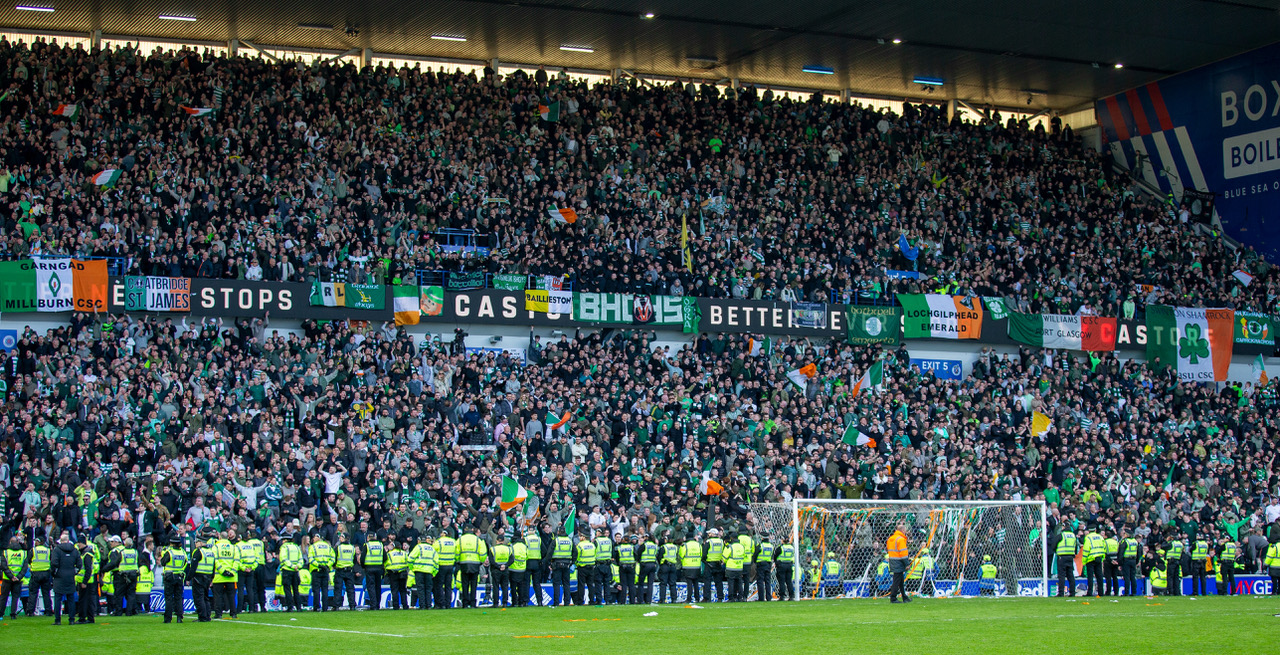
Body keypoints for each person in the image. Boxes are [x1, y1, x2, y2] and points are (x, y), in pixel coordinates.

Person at [49, 531, 80, 625]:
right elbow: (79, 564)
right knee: (71, 599)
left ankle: (57, 620)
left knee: (58, 599)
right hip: (70, 576)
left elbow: (54, 563)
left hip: (59, 576)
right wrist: (74, 572)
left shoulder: (57, 550)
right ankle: (71, 619)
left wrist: (54, 573)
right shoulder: (75, 550)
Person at [457, 526, 487, 608]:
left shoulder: (460, 539)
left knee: (465, 584)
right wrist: (481, 561)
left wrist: (458, 560)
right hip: (475, 563)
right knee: (474, 584)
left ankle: (465, 603)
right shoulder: (478, 540)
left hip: (464, 563)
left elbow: (456, 552)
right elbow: (483, 553)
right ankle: (473, 602)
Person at [159, 535, 187, 623]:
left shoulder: (169, 552)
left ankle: (168, 618)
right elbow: (185, 562)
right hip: (179, 576)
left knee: (169, 598)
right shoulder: (183, 552)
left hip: (170, 576)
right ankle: (179, 617)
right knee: (178, 597)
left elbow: (163, 562)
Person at [212, 531, 240, 618]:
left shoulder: (215, 547)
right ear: (228, 537)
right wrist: (232, 571)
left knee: (218, 596)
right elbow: (237, 561)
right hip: (232, 577)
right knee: (232, 596)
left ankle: (218, 614)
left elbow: (215, 560)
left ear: (219, 537)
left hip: (219, 576)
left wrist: (222, 571)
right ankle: (233, 613)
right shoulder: (234, 547)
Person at [188, 534, 215, 622]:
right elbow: (213, 567)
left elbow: (193, 567)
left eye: (196, 542)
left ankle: (202, 617)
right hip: (208, 577)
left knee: (199, 598)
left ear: (200, 542)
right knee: (206, 597)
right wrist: (212, 578)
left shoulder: (198, 552)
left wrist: (188, 578)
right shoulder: (211, 552)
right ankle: (207, 616)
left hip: (198, 577)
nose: (195, 544)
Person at [74, 535, 99, 624]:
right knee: (88, 600)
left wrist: (84, 581)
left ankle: (83, 618)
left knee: (84, 601)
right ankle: (89, 618)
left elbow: (88, 569)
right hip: (88, 581)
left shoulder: (86, 554)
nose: (78, 545)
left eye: (79, 543)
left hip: (86, 582)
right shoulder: (87, 552)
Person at [408, 535, 438, 609]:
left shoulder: (418, 547)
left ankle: (422, 605)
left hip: (419, 571)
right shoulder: (432, 549)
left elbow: (410, 559)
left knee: (420, 589)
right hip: (429, 572)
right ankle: (429, 605)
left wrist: (412, 568)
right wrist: (434, 573)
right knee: (428, 589)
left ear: (419, 541)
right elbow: (436, 562)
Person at [27, 537, 53, 617]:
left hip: (36, 573)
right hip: (46, 573)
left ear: (39, 542)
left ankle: (31, 612)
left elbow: (28, 560)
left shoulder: (33, 550)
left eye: (36, 541)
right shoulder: (48, 550)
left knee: (33, 593)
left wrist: (31, 568)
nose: (35, 542)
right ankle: (48, 611)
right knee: (46, 593)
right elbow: (51, 560)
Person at [278, 534, 304, 612]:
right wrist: (297, 566)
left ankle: (290, 607)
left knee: (287, 589)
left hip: (287, 570)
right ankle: (298, 607)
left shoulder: (284, 547)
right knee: (296, 589)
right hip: (295, 571)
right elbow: (301, 559)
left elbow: (283, 559)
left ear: (285, 540)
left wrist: (291, 566)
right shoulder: (296, 547)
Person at [2, 537, 27, 619]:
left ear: (10, 542)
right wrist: (18, 577)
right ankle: (13, 615)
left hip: (7, 579)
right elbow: (24, 568)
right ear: (18, 542)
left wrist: (11, 576)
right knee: (15, 597)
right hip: (18, 580)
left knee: (4, 597)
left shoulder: (5, 552)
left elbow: (4, 566)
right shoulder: (23, 553)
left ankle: (1, 613)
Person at [309, 534, 335, 611]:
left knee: (316, 590)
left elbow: (310, 559)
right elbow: (333, 558)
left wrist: (319, 565)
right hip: (325, 570)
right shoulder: (328, 546)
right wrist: (327, 565)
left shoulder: (312, 547)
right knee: (325, 589)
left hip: (316, 570)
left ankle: (316, 606)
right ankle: (325, 607)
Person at [333, 533, 359, 610]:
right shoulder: (352, 548)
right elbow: (354, 560)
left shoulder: (338, 547)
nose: (340, 538)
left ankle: (336, 606)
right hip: (349, 570)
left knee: (338, 588)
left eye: (341, 537)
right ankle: (352, 605)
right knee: (350, 589)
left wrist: (335, 565)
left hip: (340, 570)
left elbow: (335, 558)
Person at [886, 522, 910, 604]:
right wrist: (907, 563)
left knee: (900, 580)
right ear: (903, 530)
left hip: (892, 560)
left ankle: (904, 596)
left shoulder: (891, 538)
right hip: (899, 560)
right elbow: (903, 552)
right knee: (897, 580)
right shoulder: (900, 539)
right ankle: (893, 597)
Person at [550, 528, 573, 606]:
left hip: (557, 564)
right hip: (567, 564)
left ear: (558, 532)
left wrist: (548, 563)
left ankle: (556, 602)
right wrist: (572, 562)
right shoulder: (570, 540)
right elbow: (575, 552)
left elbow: (550, 552)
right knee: (566, 584)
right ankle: (567, 602)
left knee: (556, 584)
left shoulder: (556, 540)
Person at [237, 534, 260, 614]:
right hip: (251, 569)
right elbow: (257, 558)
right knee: (250, 589)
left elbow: (237, 559)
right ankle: (251, 608)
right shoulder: (251, 546)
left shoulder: (238, 546)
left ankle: (239, 608)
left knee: (240, 589)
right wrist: (252, 568)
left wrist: (244, 568)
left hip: (242, 570)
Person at [434, 531, 457, 609]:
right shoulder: (453, 541)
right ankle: (448, 604)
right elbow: (456, 553)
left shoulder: (438, 542)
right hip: (450, 565)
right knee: (448, 586)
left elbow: (433, 552)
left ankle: (441, 603)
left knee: (439, 585)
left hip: (441, 565)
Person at [574, 531, 597, 605]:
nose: (580, 538)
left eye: (581, 536)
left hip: (582, 567)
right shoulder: (592, 545)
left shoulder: (579, 545)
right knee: (590, 585)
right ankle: (592, 600)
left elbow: (577, 556)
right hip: (591, 567)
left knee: (581, 585)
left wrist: (576, 564)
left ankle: (580, 601)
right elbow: (595, 555)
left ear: (584, 537)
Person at [703, 528, 725, 603]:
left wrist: (704, 560)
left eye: (709, 533)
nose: (708, 534)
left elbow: (704, 553)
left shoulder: (709, 541)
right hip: (718, 563)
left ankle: (707, 598)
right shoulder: (721, 541)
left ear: (712, 534)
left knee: (707, 581)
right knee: (719, 582)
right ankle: (720, 597)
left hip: (709, 563)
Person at [489, 534, 512, 608]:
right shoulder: (508, 549)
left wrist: (498, 566)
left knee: (496, 586)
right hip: (505, 569)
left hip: (496, 570)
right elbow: (512, 559)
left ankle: (496, 603)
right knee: (505, 586)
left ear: (496, 540)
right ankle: (505, 602)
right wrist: (505, 565)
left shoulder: (493, 549)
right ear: (503, 541)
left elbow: (491, 561)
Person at [386, 541, 410, 610]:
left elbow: (386, 564)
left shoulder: (389, 554)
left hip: (393, 573)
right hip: (403, 573)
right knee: (403, 590)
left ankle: (396, 606)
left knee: (394, 590)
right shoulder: (404, 553)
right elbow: (408, 562)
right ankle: (405, 605)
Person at [1055, 527, 1079, 598]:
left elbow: (1054, 543)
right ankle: (1072, 593)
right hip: (1070, 557)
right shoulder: (1073, 536)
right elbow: (1076, 546)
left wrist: (1056, 551)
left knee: (1061, 575)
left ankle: (1061, 593)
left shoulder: (1062, 535)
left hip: (1062, 557)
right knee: (1070, 575)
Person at [679, 533, 702, 603]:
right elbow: (701, 554)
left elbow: (681, 556)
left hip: (688, 566)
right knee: (696, 583)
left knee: (689, 584)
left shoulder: (684, 545)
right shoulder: (698, 544)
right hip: (697, 566)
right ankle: (697, 598)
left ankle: (689, 598)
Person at [523, 530, 544, 607]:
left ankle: (525, 601)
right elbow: (544, 550)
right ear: (534, 531)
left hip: (528, 562)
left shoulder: (525, 539)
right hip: (537, 563)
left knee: (526, 583)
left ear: (528, 531)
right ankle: (539, 601)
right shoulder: (539, 539)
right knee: (537, 584)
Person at [593, 528, 614, 604]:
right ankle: (607, 600)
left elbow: (594, 552)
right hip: (607, 564)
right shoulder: (609, 540)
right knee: (607, 583)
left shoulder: (596, 541)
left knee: (598, 583)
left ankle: (599, 600)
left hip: (599, 564)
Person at [1119, 529, 1142, 596]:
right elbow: (1138, 553)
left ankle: (1126, 592)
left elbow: (1121, 553)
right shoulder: (1135, 541)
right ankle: (1134, 592)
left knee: (1127, 577)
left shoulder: (1125, 541)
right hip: (1133, 560)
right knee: (1133, 577)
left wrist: (1120, 563)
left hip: (1126, 560)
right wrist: (1137, 561)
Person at [1083, 526, 1105, 597]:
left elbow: (1086, 550)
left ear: (1089, 531)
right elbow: (1104, 547)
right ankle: (1101, 592)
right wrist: (1102, 558)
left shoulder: (1088, 538)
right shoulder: (1100, 537)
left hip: (1090, 559)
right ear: (1095, 530)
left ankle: (1090, 592)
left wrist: (1084, 561)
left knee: (1090, 576)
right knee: (1099, 576)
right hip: (1099, 558)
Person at [637, 534, 658, 604]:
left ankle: (640, 599)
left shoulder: (644, 545)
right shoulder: (655, 546)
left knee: (641, 583)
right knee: (650, 583)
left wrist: (639, 561)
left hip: (645, 564)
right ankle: (649, 600)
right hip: (653, 564)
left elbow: (638, 553)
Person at [616, 535, 637, 605]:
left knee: (624, 585)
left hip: (622, 566)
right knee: (631, 585)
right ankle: (632, 601)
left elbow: (616, 557)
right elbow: (636, 555)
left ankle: (623, 601)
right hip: (631, 566)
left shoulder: (619, 547)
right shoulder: (632, 547)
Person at [724, 533, 745, 602]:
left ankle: (731, 598)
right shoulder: (742, 546)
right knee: (739, 583)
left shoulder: (730, 546)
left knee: (731, 583)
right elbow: (744, 556)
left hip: (731, 567)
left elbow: (724, 558)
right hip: (739, 567)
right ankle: (740, 597)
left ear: (731, 538)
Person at [658, 537, 680, 604]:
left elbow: (659, 557)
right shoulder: (675, 547)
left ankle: (662, 599)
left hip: (665, 566)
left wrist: (661, 563)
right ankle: (674, 599)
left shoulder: (664, 547)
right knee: (672, 583)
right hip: (673, 565)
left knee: (663, 583)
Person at [510, 535, 528, 608]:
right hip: (522, 568)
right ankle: (521, 602)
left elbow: (510, 556)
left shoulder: (512, 546)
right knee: (521, 586)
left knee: (513, 587)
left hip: (513, 568)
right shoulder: (525, 546)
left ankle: (514, 602)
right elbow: (527, 556)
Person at [754, 536, 774, 602]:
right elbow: (772, 555)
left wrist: (755, 561)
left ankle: (761, 598)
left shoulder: (760, 545)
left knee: (760, 581)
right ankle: (769, 597)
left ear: (762, 538)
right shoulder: (771, 546)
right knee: (768, 581)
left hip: (761, 564)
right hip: (768, 564)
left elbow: (755, 554)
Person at [1103, 527, 1120, 596]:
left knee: (1108, 577)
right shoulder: (1116, 542)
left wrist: (1110, 560)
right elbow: (1119, 552)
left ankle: (1108, 591)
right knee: (1115, 577)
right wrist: (1116, 561)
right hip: (1116, 561)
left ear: (1106, 536)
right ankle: (1116, 591)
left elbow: (1104, 553)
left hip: (1108, 561)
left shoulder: (1105, 542)